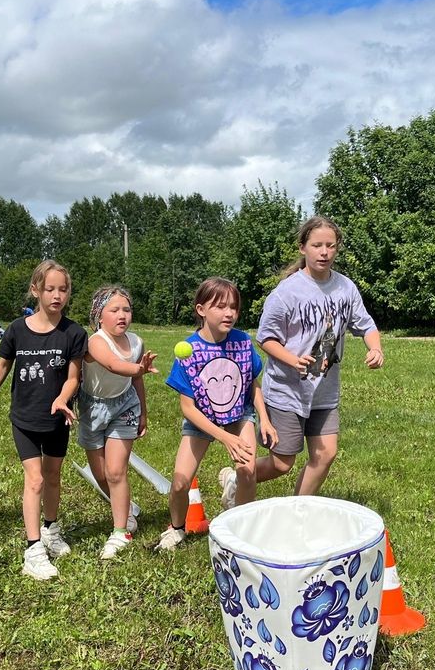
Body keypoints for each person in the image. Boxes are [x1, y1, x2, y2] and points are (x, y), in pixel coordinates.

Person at [0, 260, 85, 580]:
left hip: (58, 419)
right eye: (50, 289)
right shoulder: (18, 329)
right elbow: (2, 367)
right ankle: (33, 550)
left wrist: (62, 398)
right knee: (35, 479)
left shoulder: (73, 332)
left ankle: (51, 529)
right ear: (36, 290)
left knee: (54, 475)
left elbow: (74, 376)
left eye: (63, 289)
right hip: (24, 417)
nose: (57, 295)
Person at [250, 216, 383, 502]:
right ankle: (238, 480)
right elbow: (266, 337)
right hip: (287, 391)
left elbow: (366, 325)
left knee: (325, 454)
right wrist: (290, 359)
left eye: (330, 246)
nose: (324, 252)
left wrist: (375, 348)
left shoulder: (345, 288)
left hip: (324, 391)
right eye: (317, 245)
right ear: (303, 248)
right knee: (281, 463)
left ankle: (297, 510)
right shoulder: (286, 292)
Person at [153, 278, 277, 553]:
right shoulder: (189, 352)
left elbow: (252, 384)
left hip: (238, 414)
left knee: (248, 470)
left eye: (233, 306)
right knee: (180, 482)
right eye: (220, 307)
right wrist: (224, 438)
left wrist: (264, 418)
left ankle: (243, 531)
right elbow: (187, 408)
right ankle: (176, 529)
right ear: (201, 309)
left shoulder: (243, 342)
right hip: (202, 419)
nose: (229, 313)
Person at [78, 286, 157, 559]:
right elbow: (112, 364)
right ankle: (126, 509)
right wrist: (139, 368)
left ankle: (120, 530)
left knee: (115, 472)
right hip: (93, 408)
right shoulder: (96, 341)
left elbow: (136, 380)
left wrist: (143, 412)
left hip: (125, 405)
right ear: (100, 316)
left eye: (126, 309)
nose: (122, 315)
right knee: (100, 474)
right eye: (114, 310)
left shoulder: (136, 342)